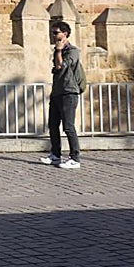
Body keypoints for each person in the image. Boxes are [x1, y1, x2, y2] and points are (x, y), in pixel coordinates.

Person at [41, 21, 83, 168]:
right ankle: (55, 155)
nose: (53, 36)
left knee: (68, 126)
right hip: (57, 92)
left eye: (56, 33)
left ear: (64, 34)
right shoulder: (57, 50)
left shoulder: (73, 51)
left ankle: (75, 158)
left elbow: (61, 66)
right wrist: (57, 51)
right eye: (52, 33)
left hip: (69, 93)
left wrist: (59, 51)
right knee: (53, 125)